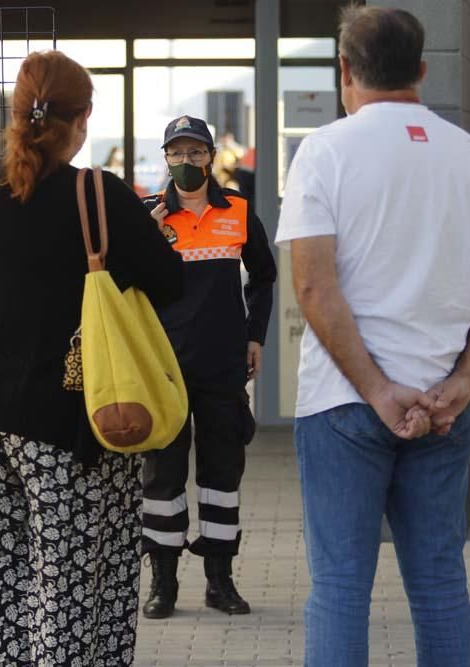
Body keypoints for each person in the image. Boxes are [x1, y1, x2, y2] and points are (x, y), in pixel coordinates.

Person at [275, 7, 470, 666]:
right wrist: (462, 383)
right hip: (446, 407)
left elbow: (311, 287)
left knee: (339, 588)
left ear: (344, 71)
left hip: (342, 402)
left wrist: (377, 387)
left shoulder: (324, 151)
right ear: (421, 69)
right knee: (441, 585)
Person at [0, 51, 183, 666]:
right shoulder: (97, 193)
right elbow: (169, 283)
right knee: (71, 591)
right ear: (82, 120)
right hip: (68, 417)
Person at [140, 115, 277, 618]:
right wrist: (145, 239)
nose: (186, 162)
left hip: (223, 365)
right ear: (166, 159)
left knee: (222, 473)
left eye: (195, 153)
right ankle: (163, 584)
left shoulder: (239, 211)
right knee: (162, 479)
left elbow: (263, 276)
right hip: (163, 369)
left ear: (211, 157)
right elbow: (118, 283)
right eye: (177, 153)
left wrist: (256, 335)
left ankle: (220, 581)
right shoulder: (147, 214)